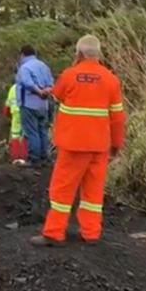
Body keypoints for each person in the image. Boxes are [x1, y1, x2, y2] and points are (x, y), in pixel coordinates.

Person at [30, 35, 126, 247]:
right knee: (93, 191)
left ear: (79, 53)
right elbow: (118, 118)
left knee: (62, 190)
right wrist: (116, 145)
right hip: (99, 147)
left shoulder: (70, 75)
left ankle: (54, 233)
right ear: (98, 54)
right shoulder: (111, 79)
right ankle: (91, 233)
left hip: (73, 145)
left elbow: (58, 95)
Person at [15, 45, 54, 167]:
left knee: (32, 132)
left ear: (22, 55)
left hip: (29, 104)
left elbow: (27, 83)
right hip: (44, 105)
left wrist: (38, 91)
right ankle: (45, 157)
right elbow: (51, 83)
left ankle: (34, 159)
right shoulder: (43, 66)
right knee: (43, 131)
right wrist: (45, 92)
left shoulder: (24, 67)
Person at [2, 82, 27, 165]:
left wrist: (7, 115)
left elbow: (7, 106)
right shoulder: (28, 87)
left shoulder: (13, 88)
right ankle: (24, 158)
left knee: (15, 135)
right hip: (25, 112)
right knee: (24, 135)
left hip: (15, 113)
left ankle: (15, 158)